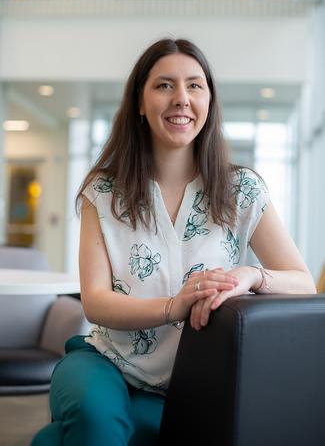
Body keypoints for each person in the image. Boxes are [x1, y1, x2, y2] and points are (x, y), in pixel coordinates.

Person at [31, 38, 316, 446]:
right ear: (140, 104)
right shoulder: (104, 190)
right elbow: (94, 301)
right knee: (95, 419)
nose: (181, 98)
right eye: (164, 85)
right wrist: (172, 307)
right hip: (103, 363)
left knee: (57, 440)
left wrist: (251, 276)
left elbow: (302, 280)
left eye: (194, 86)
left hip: (186, 381)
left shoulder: (243, 190)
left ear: (209, 103)